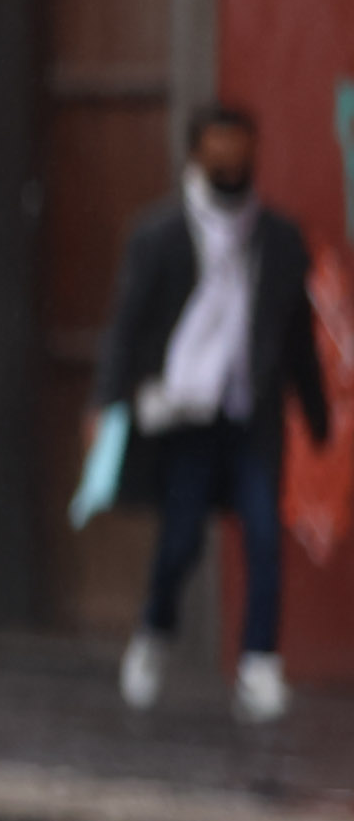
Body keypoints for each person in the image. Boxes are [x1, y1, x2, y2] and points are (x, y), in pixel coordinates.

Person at [96, 103, 330, 724]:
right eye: (218, 150)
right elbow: (126, 326)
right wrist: (108, 402)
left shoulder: (278, 238)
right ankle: (155, 631)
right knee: (179, 540)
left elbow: (297, 334)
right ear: (196, 154)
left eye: (240, 150)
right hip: (185, 414)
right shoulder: (159, 236)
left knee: (262, 534)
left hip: (251, 415)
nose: (230, 162)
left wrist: (316, 413)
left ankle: (259, 664)